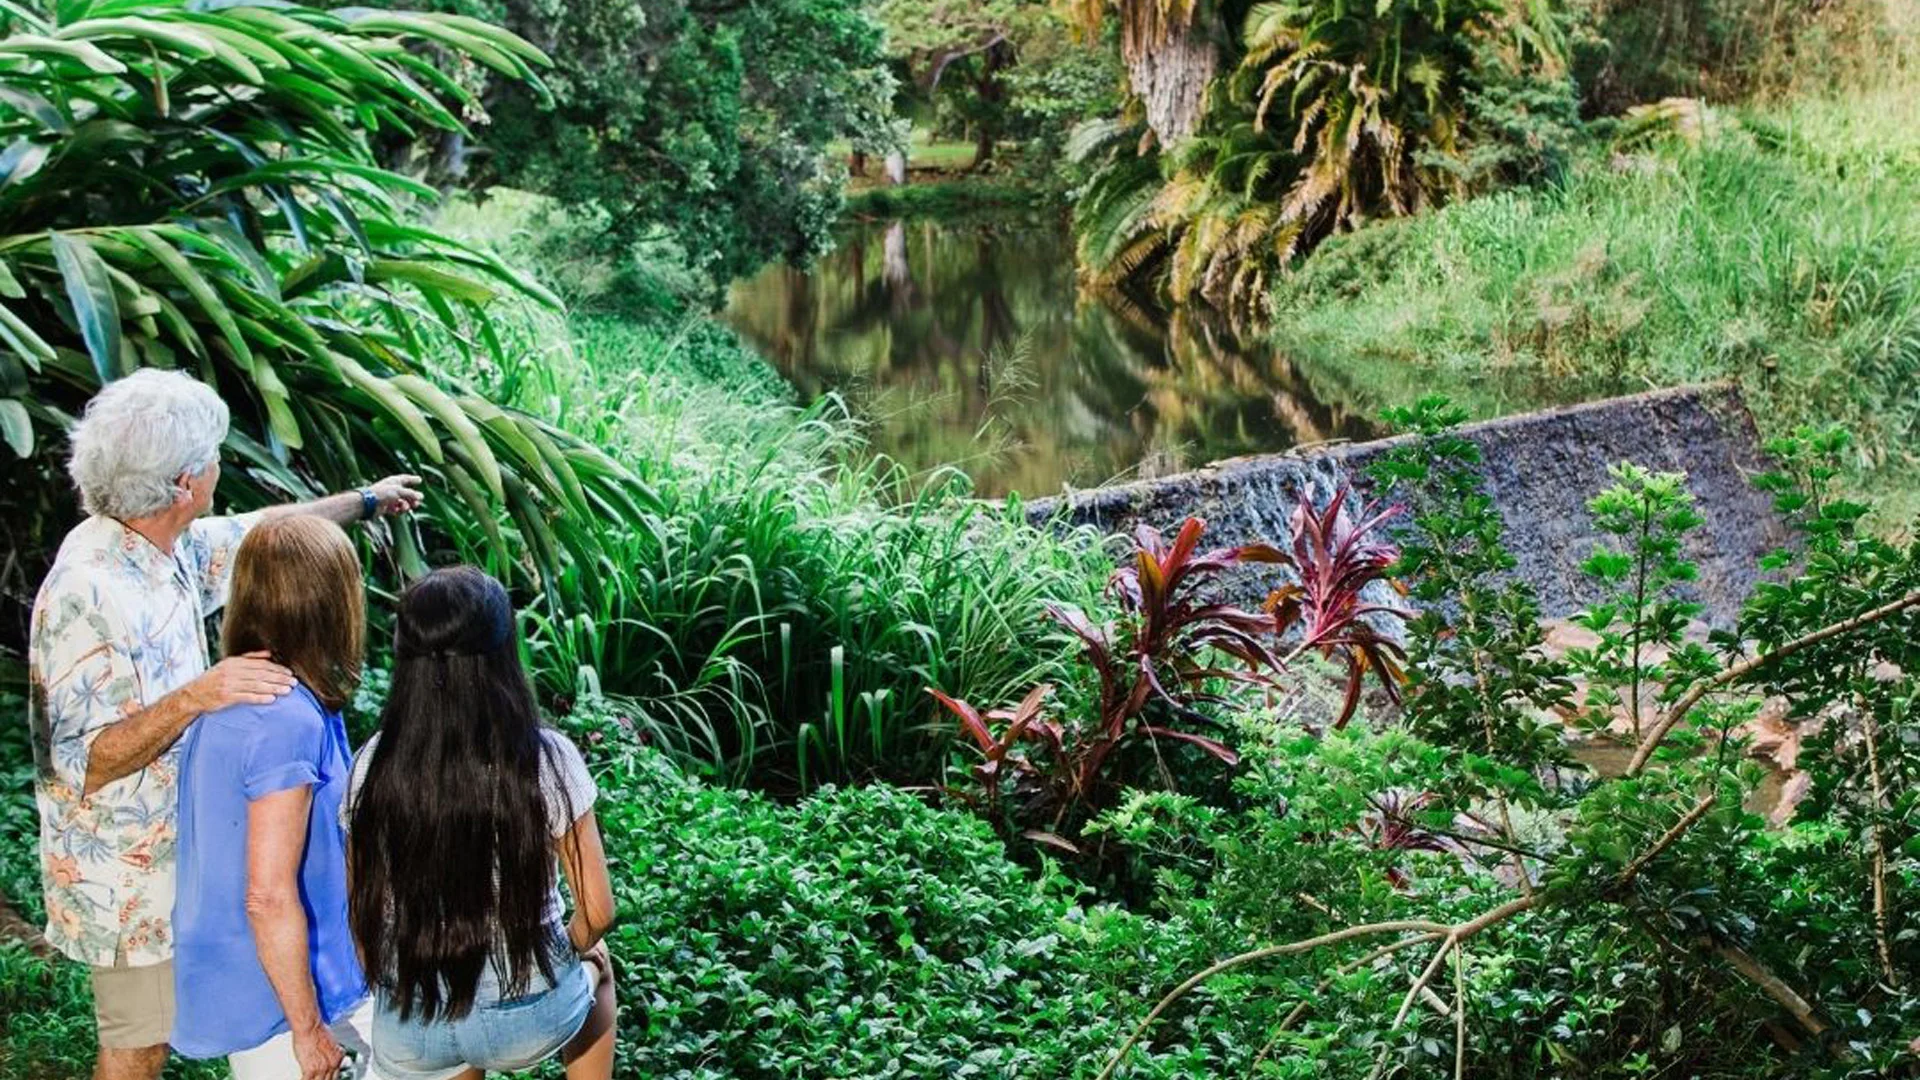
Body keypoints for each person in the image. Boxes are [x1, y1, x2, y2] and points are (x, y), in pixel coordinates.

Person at [26, 368, 422, 1080]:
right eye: (212, 456)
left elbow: (269, 534)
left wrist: (366, 501)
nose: (220, 467)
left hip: (191, 852)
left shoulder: (163, 544)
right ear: (184, 483)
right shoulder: (88, 588)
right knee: (137, 1048)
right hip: (127, 882)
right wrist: (195, 696)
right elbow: (79, 761)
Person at [344, 566, 617, 1080]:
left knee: (453, 1045)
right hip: (528, 1016)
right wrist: (568, 952)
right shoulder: (545, 758)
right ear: (502, 654)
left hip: (412, 1026)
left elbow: (361, 910)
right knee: (601, 966)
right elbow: (598, 910)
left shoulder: (372, 764)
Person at [172, 516, 375, 1080]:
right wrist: (308, 1032)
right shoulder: (283, 718)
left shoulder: (248, 692)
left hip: (282, 983)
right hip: (285, 1003)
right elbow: (267, 893)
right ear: (329, 604)